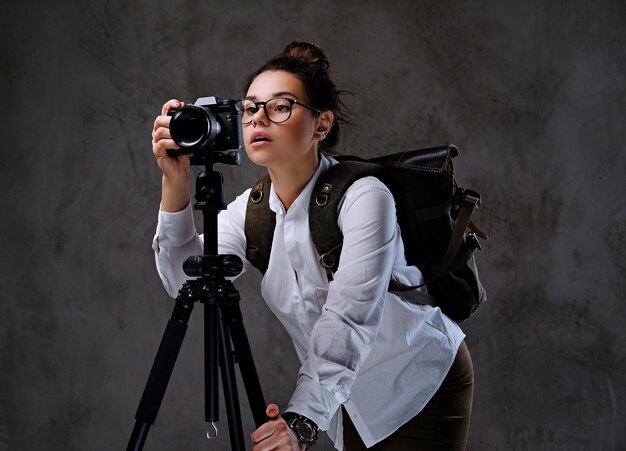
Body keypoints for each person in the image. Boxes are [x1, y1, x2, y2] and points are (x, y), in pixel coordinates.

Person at [150, 41, 473, 451]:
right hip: (344, 395)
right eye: (250, 108)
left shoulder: (364, 197)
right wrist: (173, 181)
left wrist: (301, 422)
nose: (258, 119)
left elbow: (348, 317)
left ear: (321, 125)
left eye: (280, 107)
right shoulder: (251, 211)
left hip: (419, 379)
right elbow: (184, 278)